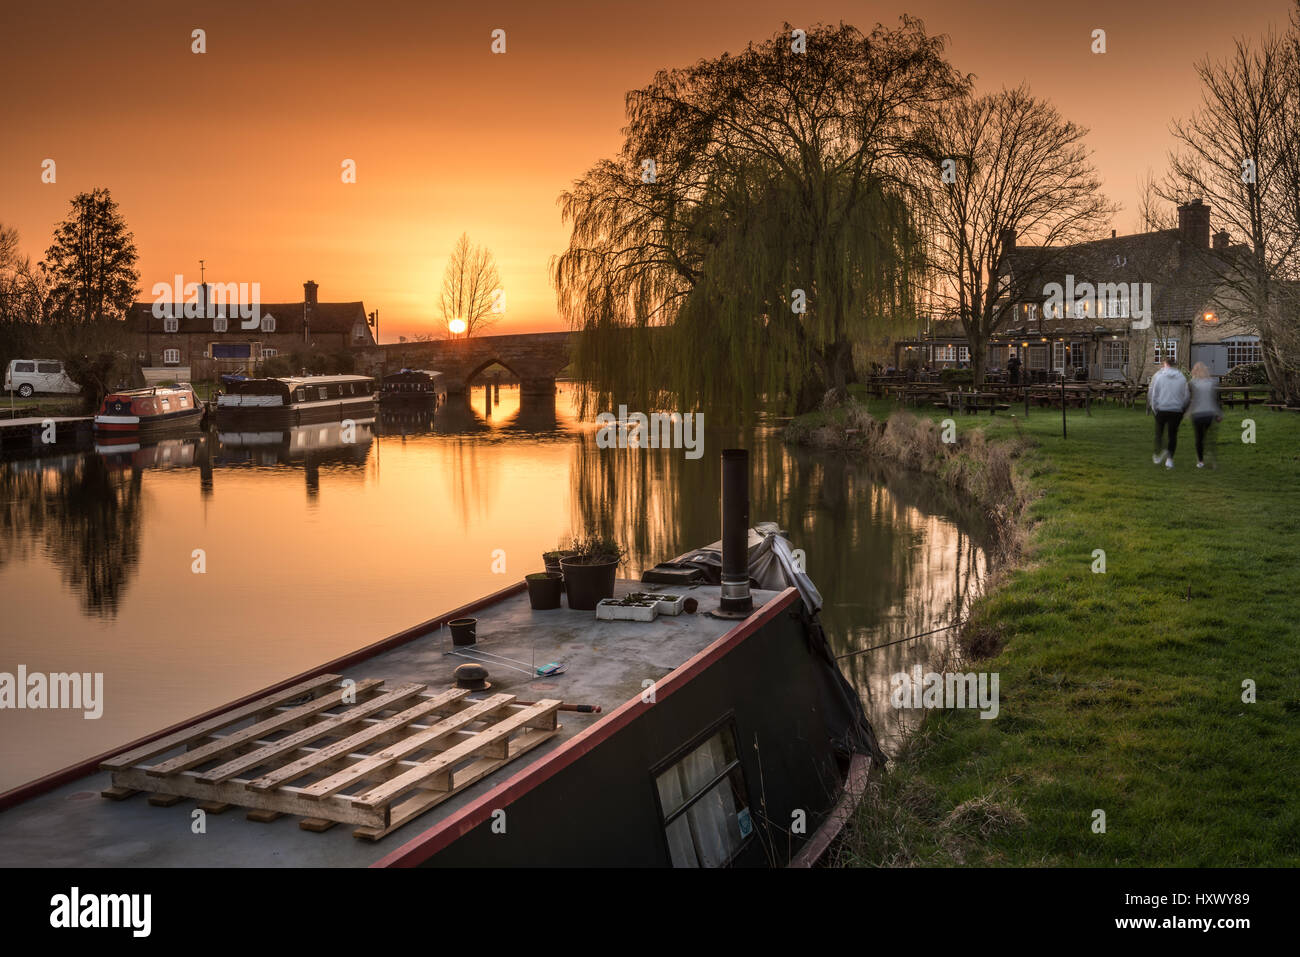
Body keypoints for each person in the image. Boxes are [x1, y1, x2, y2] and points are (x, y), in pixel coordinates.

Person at [1148, 357, 1190, 469]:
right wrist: (1183, 408)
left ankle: (1157, 455)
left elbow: (1154, 394)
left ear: (1165, 364)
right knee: (1172, 435)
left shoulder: (1159, 376)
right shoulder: (1181, 377)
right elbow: (1186, 395)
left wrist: (1154, 408)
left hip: (1162, 409)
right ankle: (1169, 460)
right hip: (1176, 410)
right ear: (1174, 365)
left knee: (1159, 434)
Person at [1188, 362, 1222, 468]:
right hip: (1209, 413)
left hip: (1197, 414)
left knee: (1199, 438)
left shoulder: (1192, 383)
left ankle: (1200, 461)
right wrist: (1218, 414)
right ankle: (1213, 460)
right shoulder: (1212, 382)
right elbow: (1215, 400)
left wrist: (1187, 412)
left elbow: (1190, 399)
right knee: (1208, 437)